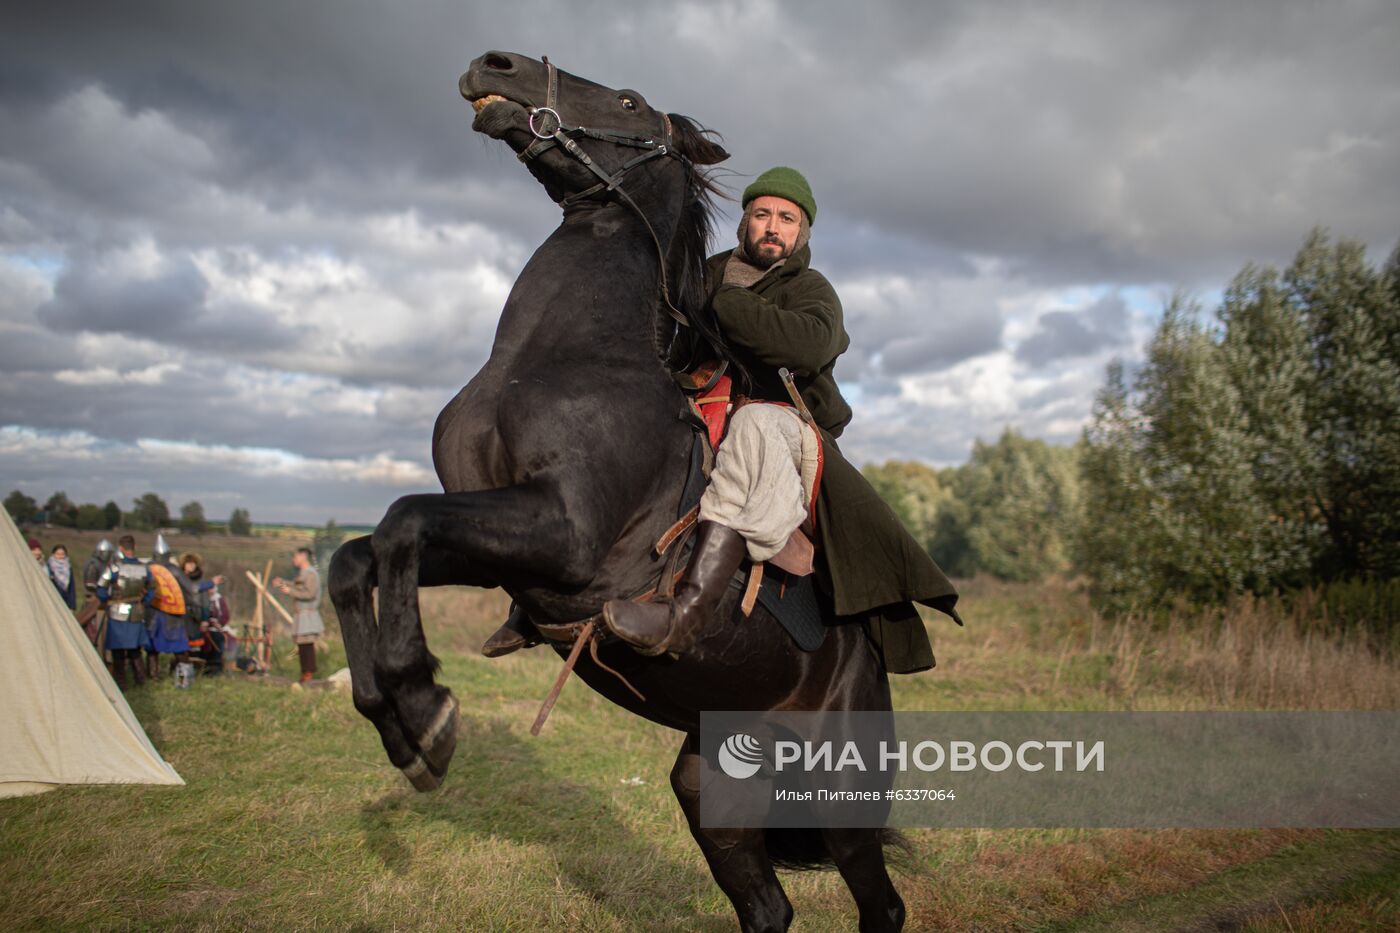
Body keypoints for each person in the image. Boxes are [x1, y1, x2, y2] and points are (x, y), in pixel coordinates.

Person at [484, 167, 960, 672]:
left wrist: (728, 300)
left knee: (754, 424)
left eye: (786, 218)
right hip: (704, 409)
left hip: (786, 427)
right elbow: (667, 342)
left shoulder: (812, 291)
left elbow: (804, 347)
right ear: (745, 223)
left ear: (802, 233)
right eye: (762, 214)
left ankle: (687, 612)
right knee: (615, 426)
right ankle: (537, 600)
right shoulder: (709, 273)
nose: (773, 226)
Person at [96, 535, 153, 689]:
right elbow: (152, 589)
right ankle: (140, 681)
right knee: (135, 649)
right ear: (134, 547)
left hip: (117, 611)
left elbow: (101, 587)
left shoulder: (115, 567)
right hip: (137, 611)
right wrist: (144, 601)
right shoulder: (144, 568)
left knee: (118, 648)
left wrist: (105, 599)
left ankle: (121, 683)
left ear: (121, 548)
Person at [273, 548, 323, 682]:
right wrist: (283, 583)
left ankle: (309, 673)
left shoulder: (311, 574)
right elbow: (297, 584)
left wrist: (290, 591)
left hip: (308, 615)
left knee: (307, 645)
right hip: (301, 615)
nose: (293, 560)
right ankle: (305, 672)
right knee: (302, 644)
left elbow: (310, 594)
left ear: (303, 556)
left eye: (295, 557)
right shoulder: (303, 573)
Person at [146, 534, 192, 678]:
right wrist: (211, 583)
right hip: (170, 614)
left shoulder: (148, 567)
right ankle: (183, 677)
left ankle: (153, 676)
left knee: (152, 649)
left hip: (154, 612)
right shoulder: (174, 570)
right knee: (178, 646)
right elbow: (193, 588)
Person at [180, 553, 229, 673]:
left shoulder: (200, 582)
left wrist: (205, 619)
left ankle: (198, 669)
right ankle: (182, 669)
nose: (191, 566)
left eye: (193, 564)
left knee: (197, 645)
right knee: (181, 645)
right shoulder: (179, 579)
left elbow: (205, 603)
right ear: (184, 565)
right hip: (181, 617)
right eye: (188, 563)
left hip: (195, 618)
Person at [78, 539, 115, 644]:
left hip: (102, 601)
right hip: (94, 601)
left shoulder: (106, 565)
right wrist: (103, 592)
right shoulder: (93, 565)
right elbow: (90, 585)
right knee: (91, 630)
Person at [46, 544, 76, 609]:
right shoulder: (49, 567)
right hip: (52, 599)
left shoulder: (68, 568)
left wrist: (72, 605)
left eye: (62, 554)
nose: (60, 556)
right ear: (53, 554)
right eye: (58, 554)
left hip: (65, 600)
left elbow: (71, 587)